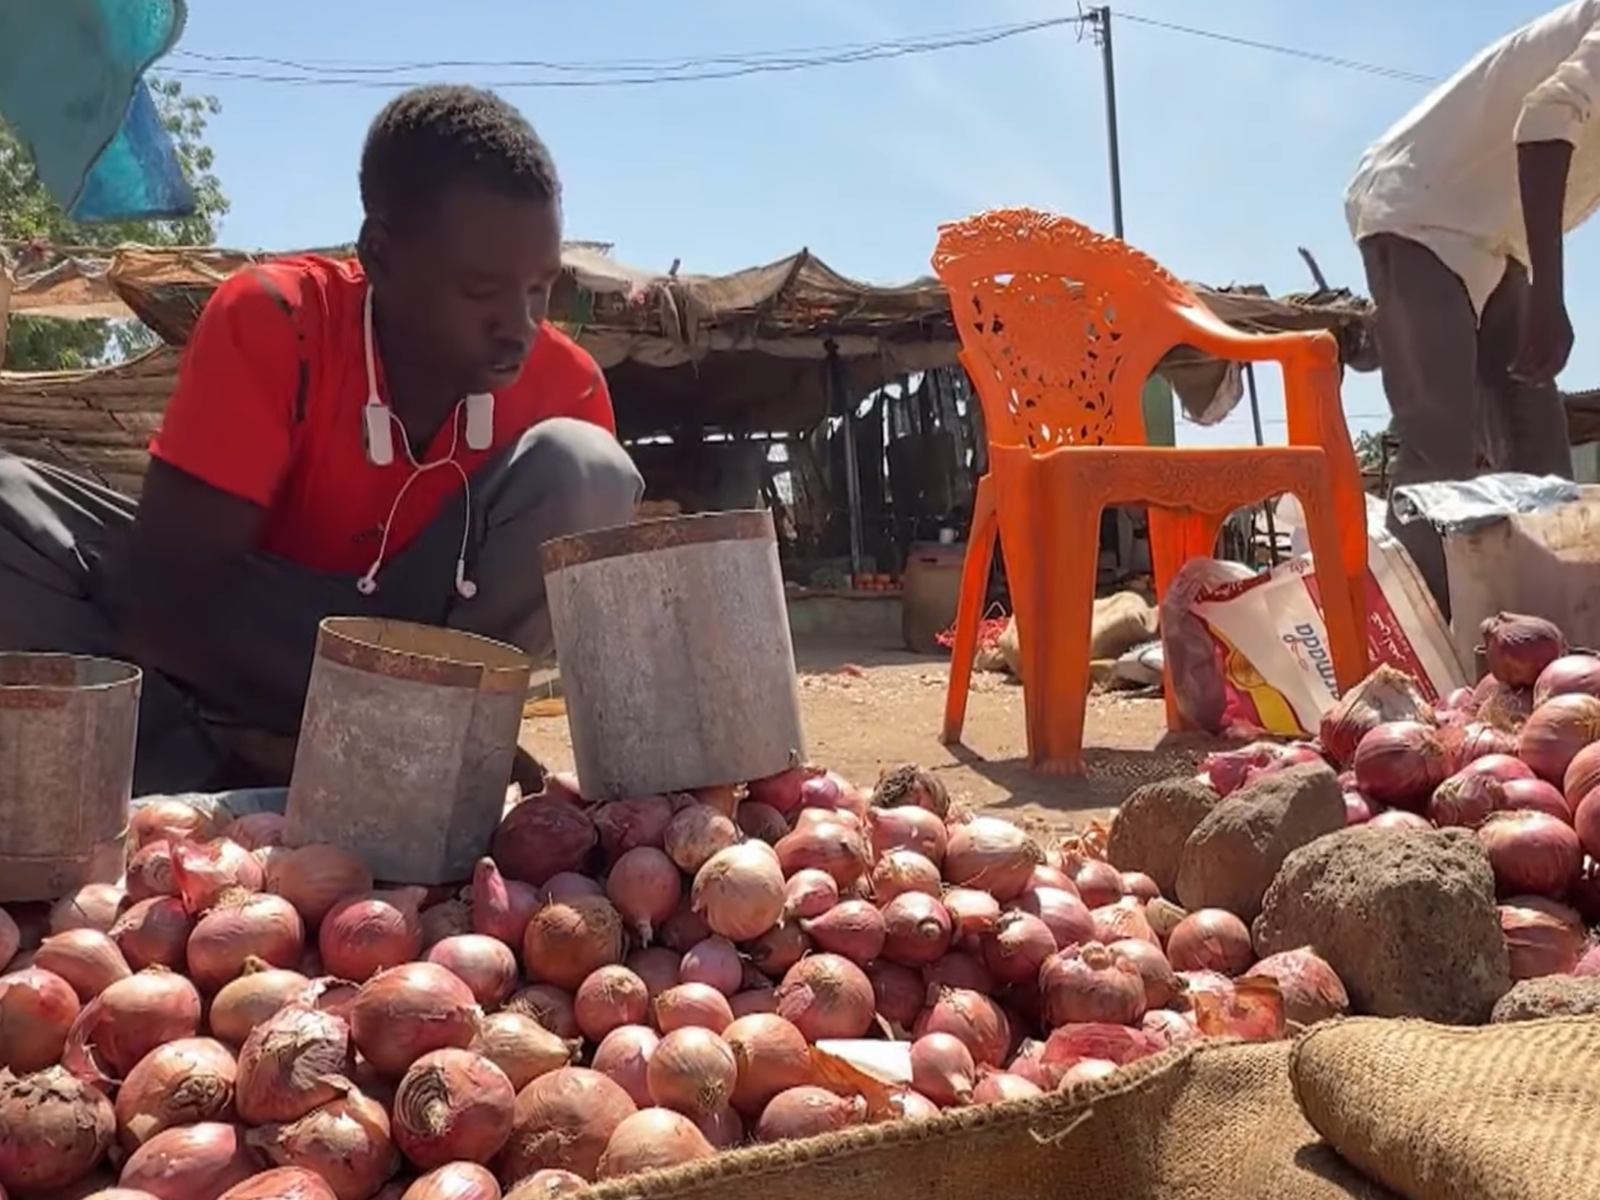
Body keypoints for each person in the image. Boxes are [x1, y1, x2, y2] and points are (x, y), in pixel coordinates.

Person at [0, 84, 644, 795]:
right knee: (9, 510)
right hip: (244, 655)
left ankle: (420, 761)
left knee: (589, 469)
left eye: (538, 289)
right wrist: (304, 727)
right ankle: (209, 782)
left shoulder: (567, 391)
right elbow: (162, 606)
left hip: (433, 670)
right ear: (381, 255)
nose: (518, 324)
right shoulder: (279, 321)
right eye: (479, 290)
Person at [1344, 1, 1595, 617]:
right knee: (1441, 443)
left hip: (1494, 237)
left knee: (1541, 455)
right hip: (1417, 206)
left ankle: (1554, 636)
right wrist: (1549, 297)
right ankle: (1415, 636)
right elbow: (1542, 127)